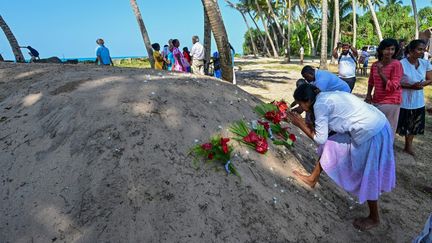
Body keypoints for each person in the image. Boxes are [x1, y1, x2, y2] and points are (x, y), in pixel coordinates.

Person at [287, 84, 396, 231]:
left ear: (308, 101)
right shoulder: (322, 97)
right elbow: (328, 133)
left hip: (373, 130)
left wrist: (300, 124)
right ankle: (312, 179)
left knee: (368, 172)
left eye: (300, 104)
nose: (300, 107)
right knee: (329, 145)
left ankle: (374, 217)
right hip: (375, 122)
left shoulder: (320, 106)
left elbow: (319, 138)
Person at [396, 39, 432, 156]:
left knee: (414, 125)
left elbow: (430, 79)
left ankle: (408, 146)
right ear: (411, 50)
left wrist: (422, 84)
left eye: (423, 49)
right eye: (419, 49)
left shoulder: (425, 63)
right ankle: (389, 143)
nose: (421, 52)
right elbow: (396, 82)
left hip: (418, 100)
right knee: (400, 124)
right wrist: (410, 86)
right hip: (403, 100)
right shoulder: (401, 63)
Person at [365, 38, 402, 134]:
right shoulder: (375, 65)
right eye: (387, 49)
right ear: (381, 50)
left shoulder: (396, 64)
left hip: (391, 101)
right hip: (377, 100)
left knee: (388, 129)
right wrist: (368, 95)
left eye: (392, 49)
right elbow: (371, 82)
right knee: (376, 128)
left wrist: (381, 74)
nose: (389, 52)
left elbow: (393, 86)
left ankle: (387, 148)